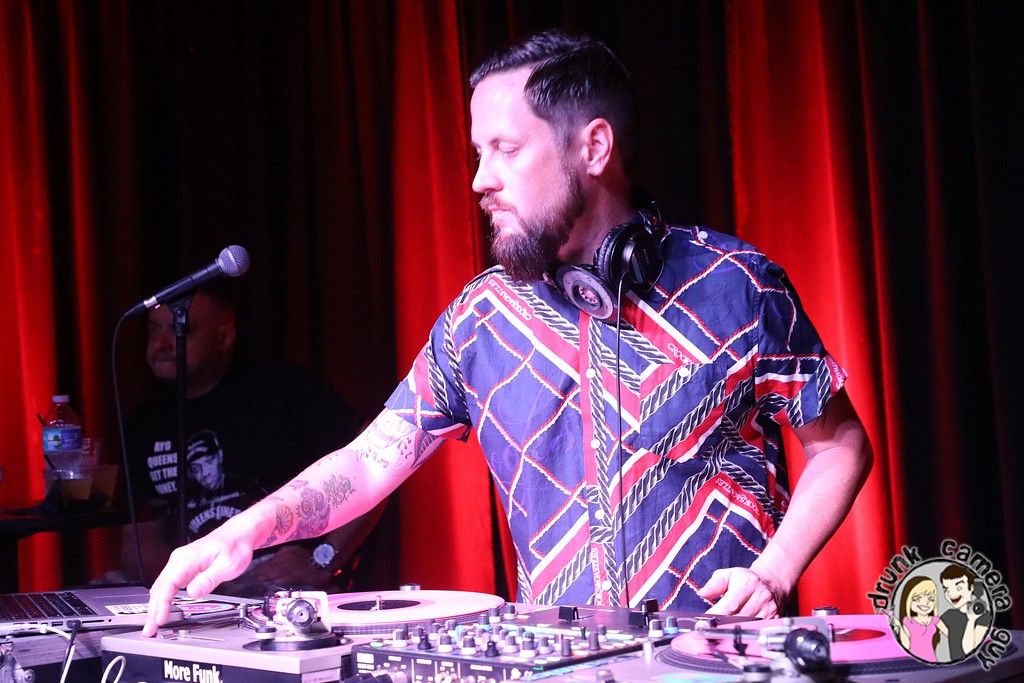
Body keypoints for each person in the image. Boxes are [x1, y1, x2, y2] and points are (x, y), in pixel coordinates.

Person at [142, 29, 872, 635]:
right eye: (476, 153)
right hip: (558, 664)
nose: (479, 180)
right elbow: (369, 462)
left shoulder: (734, 284)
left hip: (720, 661)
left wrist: (773, 573)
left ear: (593, 148)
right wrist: (245, 530)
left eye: (506, 149)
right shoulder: (482, 319)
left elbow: (840, 445)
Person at [120, 285, 387, 596]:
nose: (161, 343)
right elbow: (141, 539)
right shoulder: (144, 421)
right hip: (197, 590)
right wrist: (183, 591)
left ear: (223, 338)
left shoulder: (281, 391)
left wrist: (322, 560)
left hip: (279, 585)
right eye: (154, 329)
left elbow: (372, 461)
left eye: (180, 330)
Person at [939, 564, 991, 662]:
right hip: (954, 667)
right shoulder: (949, 615)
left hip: (974, 666)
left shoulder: (984, 616)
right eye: (946, 589)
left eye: (958, 588)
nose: (951, 594)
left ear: (971, 587)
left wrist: (971, 620)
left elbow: (969, 651)